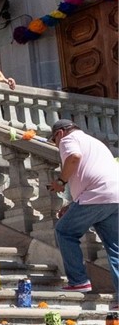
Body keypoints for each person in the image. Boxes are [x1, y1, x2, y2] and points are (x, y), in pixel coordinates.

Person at [47, 119, 119, 300]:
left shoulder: (67, 140)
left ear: (60, 133)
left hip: (96, 196)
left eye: (54, 141)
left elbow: (74, 158)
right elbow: (94, 175)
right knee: (115, 249)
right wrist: (73, 204)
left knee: (64, 231)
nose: (57, 146)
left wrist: (61, 182)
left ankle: (78, 280)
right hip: (114, 197)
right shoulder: (95, 142)